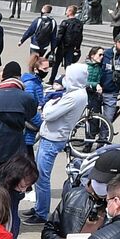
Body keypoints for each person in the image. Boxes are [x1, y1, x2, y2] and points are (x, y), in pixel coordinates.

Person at [27, 62, 90, 224]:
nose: (65, 79)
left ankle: (41, 213)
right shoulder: (78, 93)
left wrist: (48, 104)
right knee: (40, 174)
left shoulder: (73, 96)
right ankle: (39, 207)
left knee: (41, 176)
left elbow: (48, 114)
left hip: (53, 138)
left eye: (68, 76)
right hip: (55, 136)